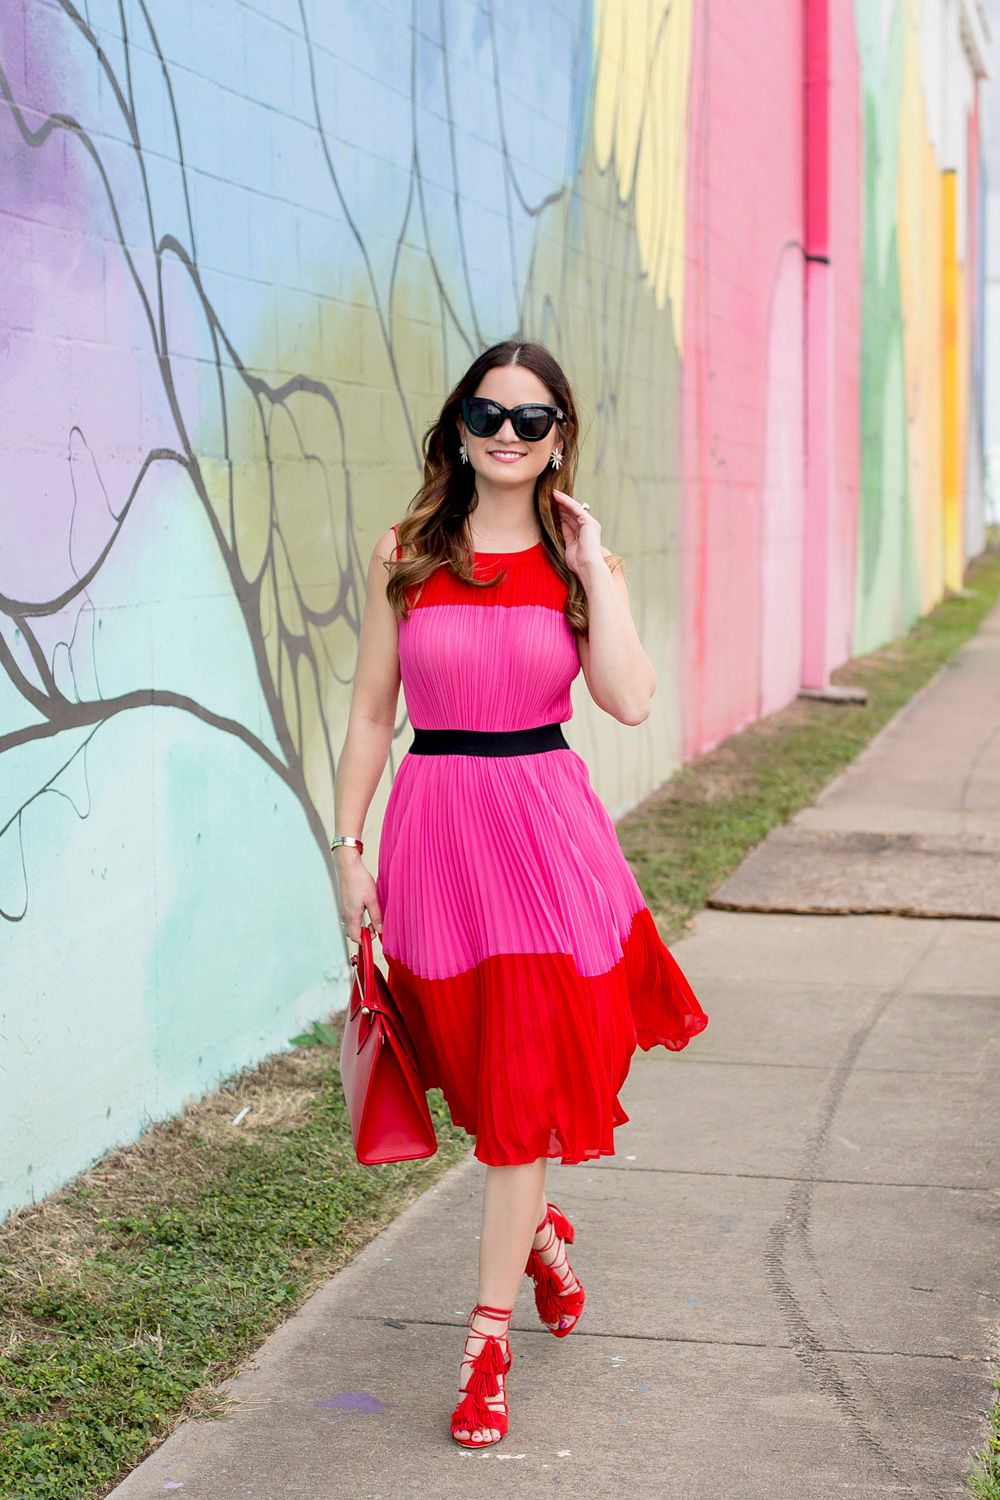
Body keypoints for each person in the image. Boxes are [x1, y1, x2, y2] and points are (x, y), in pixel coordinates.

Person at [332, 340, 707, 1447]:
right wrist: (346, 846)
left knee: (521, 1094)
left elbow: (630, 701)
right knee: (473, 1075)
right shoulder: (403, 554)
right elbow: (367, 714)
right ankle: (539, 1236)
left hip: (548, 846)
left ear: (558, 440)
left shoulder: (581, 562)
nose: (508, 432)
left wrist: (594, 570)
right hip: (436, 842)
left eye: (533, 419)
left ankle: (484, 1347)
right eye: (489, 414)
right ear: (457, 428)